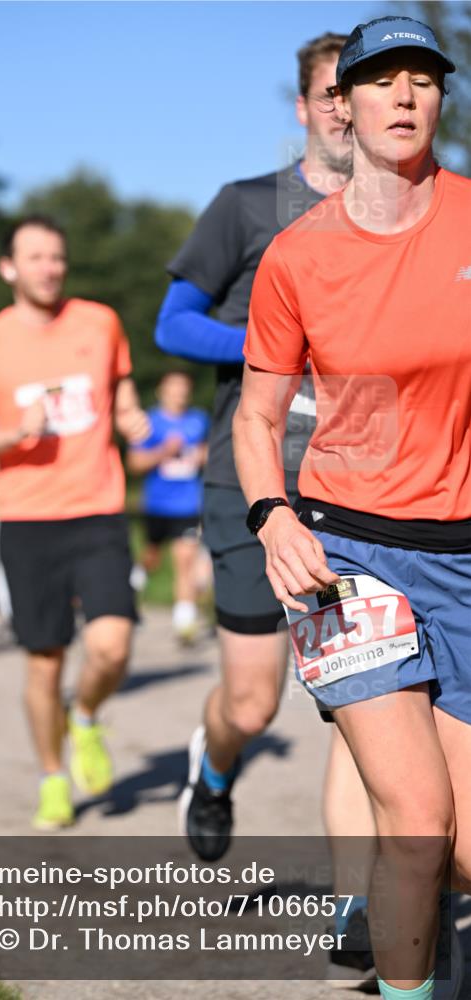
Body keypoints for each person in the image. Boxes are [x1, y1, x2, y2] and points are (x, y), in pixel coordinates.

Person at [236, 16, 469, 1000]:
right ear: (343, 104)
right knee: (416, 822)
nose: (404, 96)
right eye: (381, 80)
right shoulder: (297, 255)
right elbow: (256, 418)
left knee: (464, 852)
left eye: (423, 79)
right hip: (343, 555)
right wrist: (270, 516)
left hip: (462, 554)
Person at [156, 33, 363, 853]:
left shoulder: (404, 216)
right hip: (251, 481)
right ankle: (212, 771)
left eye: (355, 90)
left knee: (363, 702)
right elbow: (173, 324)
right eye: (328, 94)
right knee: (252, 705)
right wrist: (275, 345)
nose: (343, 108)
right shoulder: (246, 205)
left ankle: (368, 901)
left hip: (361, 490)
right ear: (302, 107)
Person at [0, 214, 150, 830]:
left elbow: (121, 392)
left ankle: (85, 716)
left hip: (97, 508)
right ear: (7, 268)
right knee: (45, 661)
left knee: (112, 647)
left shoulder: (100, 322)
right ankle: (52, 778)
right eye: (36, 257)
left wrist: (132, 418)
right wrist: (18, 431)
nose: (50, 268)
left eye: (57, 257)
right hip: (27, 518)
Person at [127, 370, 209, 643]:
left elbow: (210, 451)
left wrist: (202, 455)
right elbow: (134, 463)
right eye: (173, 388)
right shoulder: (149, 421)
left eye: (183, 388)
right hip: (157, 505)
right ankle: (134, 583)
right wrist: (164, 451)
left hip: (189, 504)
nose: (179, 393)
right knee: (152, 557)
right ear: (161, 391)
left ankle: (184, 623)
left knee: (185, 561)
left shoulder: (198, 420)